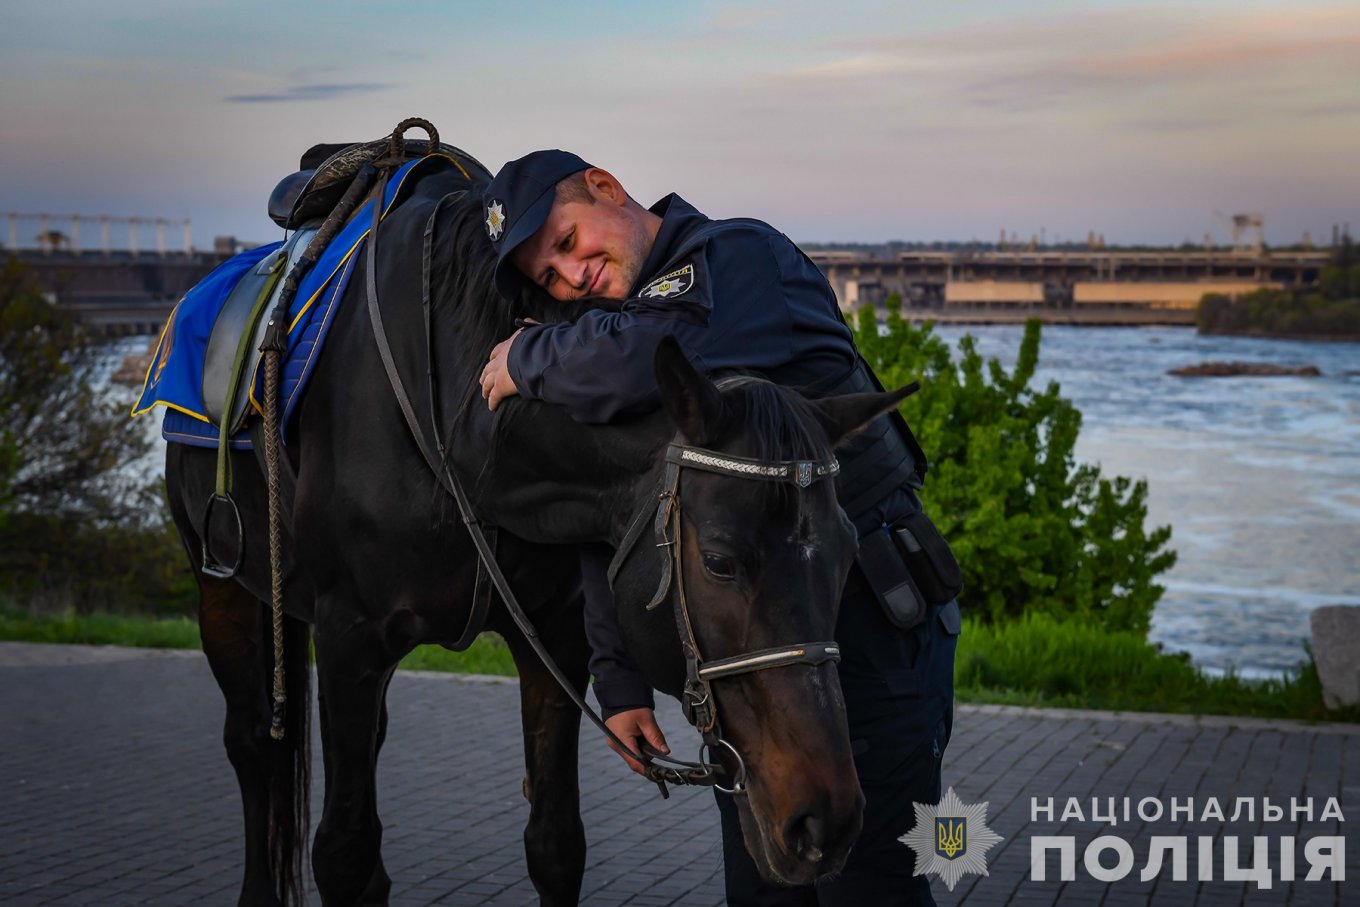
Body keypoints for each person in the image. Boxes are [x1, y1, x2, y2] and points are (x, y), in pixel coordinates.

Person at [478, 149, 960, 906]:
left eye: (568, 241)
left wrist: (530, 353)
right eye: (549, 276)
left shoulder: (735, 258)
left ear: (606, 188)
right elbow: (613, 507)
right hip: (755, 658)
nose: (570, 275)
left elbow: (644, 355)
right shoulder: (612, 336)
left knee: (870, 886)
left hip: (867, 623)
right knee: (766, 889)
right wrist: (621, 679)